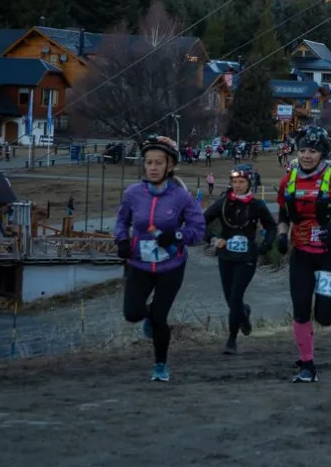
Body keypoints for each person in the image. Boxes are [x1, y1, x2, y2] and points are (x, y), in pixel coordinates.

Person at [276, 126, 331, 383]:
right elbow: (283, 215)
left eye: (312, 151)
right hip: (301, 254)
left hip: (330, 254)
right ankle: (307, 365)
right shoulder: (288, 180)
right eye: (302, 149)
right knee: (301, 310)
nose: (306, 155)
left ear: (322, 153)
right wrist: (282, 235)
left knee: (323, 316)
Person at [115, 135, 205, 382]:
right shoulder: (133, 193)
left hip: (171, 266)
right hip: (139, 264)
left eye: (158, 163)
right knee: (132, 313)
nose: (152, 168)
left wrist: (175, 235)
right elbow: (122, 221)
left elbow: (198, 231)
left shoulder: (181, 197)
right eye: (148, 162)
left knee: (158, 319)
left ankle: (160, 365)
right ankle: (148, 317)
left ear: (170, 166)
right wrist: (122, 240)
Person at [202, 167, 277, 355]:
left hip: (247, 258)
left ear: (249, 183)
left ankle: (231, 339)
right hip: (226, 256)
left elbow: (272, 227)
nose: (237, 186)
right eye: (234, 182)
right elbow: (201, 221)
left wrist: (265, 246)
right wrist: (212, 239)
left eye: (241, 182)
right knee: (231, 300)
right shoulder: (224, 203)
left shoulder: (257, 205)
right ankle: (244, 313)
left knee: (235, 297)